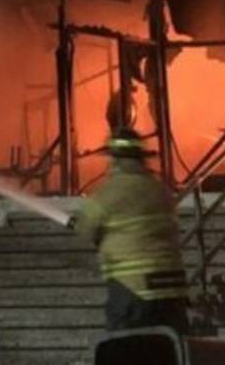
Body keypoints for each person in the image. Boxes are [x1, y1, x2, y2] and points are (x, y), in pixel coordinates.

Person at [76, 128, 189, 334]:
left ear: (115, 160)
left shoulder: (109, 192)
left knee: (126, 349)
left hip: (133, 288)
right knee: (170, 352)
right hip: (173, 287)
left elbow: (85, 230)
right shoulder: (159, 189)